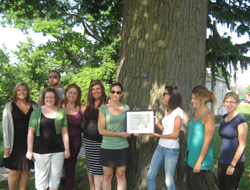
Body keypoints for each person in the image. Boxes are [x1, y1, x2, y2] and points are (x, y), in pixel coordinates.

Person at [26, 87, 70, 190]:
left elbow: (64, 132)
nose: (49, 100)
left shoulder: (61, 112)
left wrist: (67, 149)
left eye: (51, 98)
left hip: (58, 150)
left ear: (56, 99)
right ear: (43, 98)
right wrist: (29, 150)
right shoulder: (36, 112)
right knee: (41, 178)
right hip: (40, 151)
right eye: (47, 97)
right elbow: (30, 133)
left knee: (55, 178)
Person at [1, 82, 38, 190]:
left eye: (24, 90)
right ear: (15, 92)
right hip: (14, 143)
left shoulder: (34, 106)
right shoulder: (10, 105)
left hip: (29, 143)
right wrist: (6, 146)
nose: (21, 92)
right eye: (19, 90)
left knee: (26, 170)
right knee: (14, 171)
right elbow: (5, 127)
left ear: (27, 92)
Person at [146, 85, 183, 190]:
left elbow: (175, 135)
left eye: (164, 94)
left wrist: (156, 135)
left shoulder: (178, 112)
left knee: (168, 181)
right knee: (150, 176)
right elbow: (167, 131)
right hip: (160, 147)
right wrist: (158, 125)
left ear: (171, 96)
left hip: (171, 150)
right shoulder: (168, 111)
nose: (162, 97)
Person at [98, 82, 131, 190]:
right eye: (113, 92)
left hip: (122, 147)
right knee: (107, 176)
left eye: (118, 92)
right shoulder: (103, 109)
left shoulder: (126, 108)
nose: (115, 94)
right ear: (110, 92)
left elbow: (130, 126)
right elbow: (101, 130)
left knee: (120, 175)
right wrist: (119, 134)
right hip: (107, 147)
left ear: (122, 93)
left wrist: (135, 131)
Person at [185, 85, 216, 190]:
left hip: (200, 158)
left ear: (203, 100)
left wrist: (199, 162)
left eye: (194, 98)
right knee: (189, 184)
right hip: (191, 155)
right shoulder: (196, 112)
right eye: (192, 98)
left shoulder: (209, 116)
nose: (192, 100)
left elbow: (207, 141)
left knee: (196, 186)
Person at [217, 92, 248, 190]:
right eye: (226, 101)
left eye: (232, 102)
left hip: (235, 162)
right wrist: (219, 157)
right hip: (222, 160)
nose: (228, 104)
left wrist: (232, 165)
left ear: (237, 103)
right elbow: (224, 140)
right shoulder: (223, 118)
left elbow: (242, 145)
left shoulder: (240, 120)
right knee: (221, 187)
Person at [83, 79, 109, 190]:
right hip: (88, 141)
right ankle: (92, 187)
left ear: (102, 89)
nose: (95, 91)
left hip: (101, 142)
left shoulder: (108, 102)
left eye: (98, 88)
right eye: (93, 89)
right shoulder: (88, 103)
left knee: (99, 170)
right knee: (90, 167)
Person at [61, 84, 85, 190]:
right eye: (70, 92)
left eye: (75, 93)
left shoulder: (81, 108)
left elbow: (88, 124)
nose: (72, 95)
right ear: (66, 93)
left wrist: (80, 130)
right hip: (59, 141)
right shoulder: (59, 106)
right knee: (57, 166)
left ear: (78, 95)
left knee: (70, 168)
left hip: (75, 141)